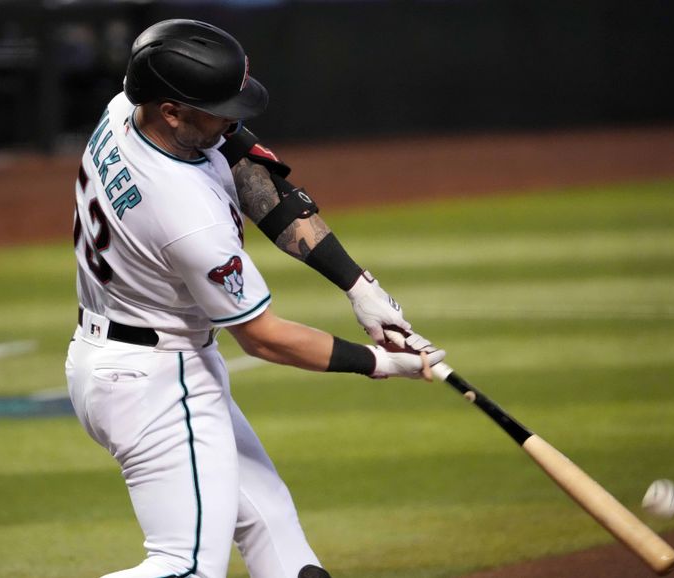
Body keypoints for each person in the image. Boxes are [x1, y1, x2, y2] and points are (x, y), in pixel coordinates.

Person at [65, 19, 444, 578]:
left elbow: (249, 170)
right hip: (154, 381)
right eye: (220, 107)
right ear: (172, 109)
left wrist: (357, 285)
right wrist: (383, 362)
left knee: (276, 535)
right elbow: (263, 337)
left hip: (137, 357)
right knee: (185, 567)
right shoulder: (184, 213)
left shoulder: (130, 105)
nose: (234, 118)